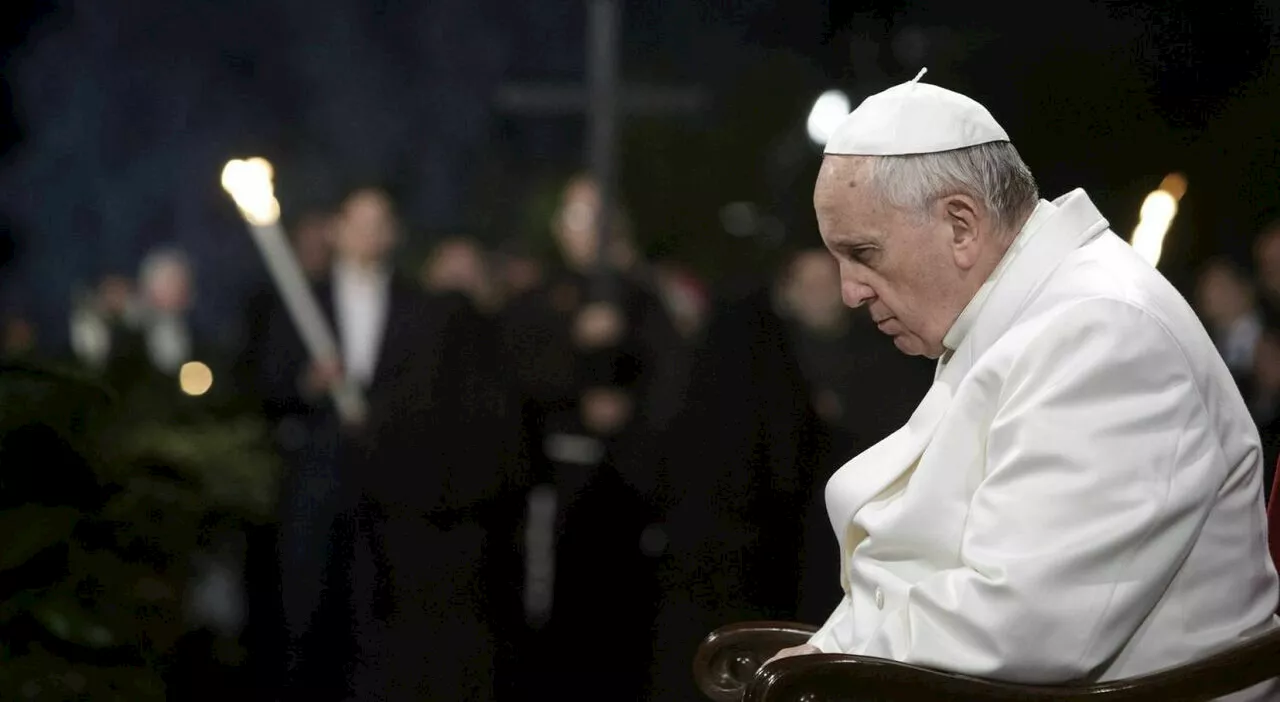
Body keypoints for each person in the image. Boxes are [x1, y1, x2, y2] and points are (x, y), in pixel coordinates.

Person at [767, 70, 1280, 699]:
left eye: (864, 253)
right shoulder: (1027, 310)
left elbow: (1024, 624)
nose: (850, 292)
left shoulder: (1101, 327)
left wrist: (824, 665)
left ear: (961, 225)